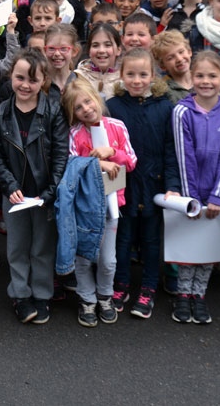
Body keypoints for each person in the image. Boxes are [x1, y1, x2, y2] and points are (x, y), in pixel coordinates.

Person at [0, 49, 69, 324]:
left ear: (44, 81)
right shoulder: (1, 112)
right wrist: (9, 185)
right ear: (11, 76)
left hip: (43, 193)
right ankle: (20, 295)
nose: (25, 85)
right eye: (19, 77)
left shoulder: (53, 111)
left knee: (42, 248)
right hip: (15, 194)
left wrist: (51, 190)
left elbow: (61, 154)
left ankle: (42, 295)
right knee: (17, 246)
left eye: (32, 80)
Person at [168, 51, 220, 325]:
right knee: (189, 247)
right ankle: (183, 294)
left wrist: (217, 196)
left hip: (215, 197)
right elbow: (183, 155)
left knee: (208, 249)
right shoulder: (182, 112)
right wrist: (192, 200)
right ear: (191, 78)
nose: (205, 81)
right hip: (191, 196)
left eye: (212, 76)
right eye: (199, 75)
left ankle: (199, 295)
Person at [106, 48, 180, 320]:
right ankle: (121, 283)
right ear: (121, 74)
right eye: (131, 74)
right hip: (123, 183)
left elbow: (171, 149)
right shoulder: (113, 106)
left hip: (154, 182)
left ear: (153, 75)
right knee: (122, 238)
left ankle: (148, 286)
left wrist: (171, 183)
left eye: (143, 74)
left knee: (151, 239)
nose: (137, 80)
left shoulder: (165, 106)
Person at [59, 78, 135, 327]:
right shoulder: (75, 134)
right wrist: (98, 163)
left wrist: (112, 153)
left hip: (112, 203)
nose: (86, 109)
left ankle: (105, 295)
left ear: (97, 97)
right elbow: (71, 166)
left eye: (88, 101)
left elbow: (132, 160)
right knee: (83, 257)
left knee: (108, 259)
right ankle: (87, 298)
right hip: (85, 207)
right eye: (78, 107)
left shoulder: (117, 126)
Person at [74, 22, 121, 102]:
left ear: (118, 50)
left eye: (108, 45)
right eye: (95, 45)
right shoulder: (77, 77)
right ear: (89, 51)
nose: (101, 50)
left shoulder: (126, 79)